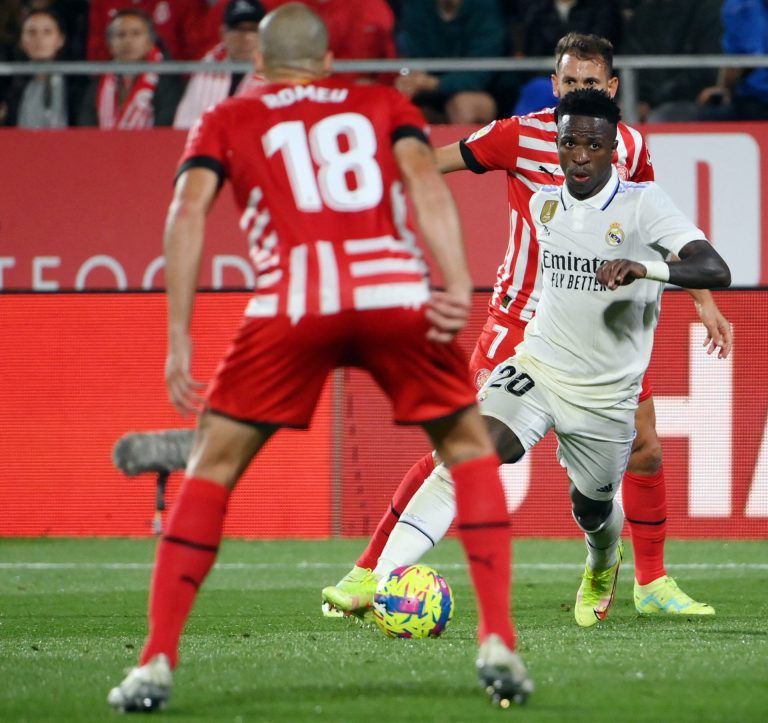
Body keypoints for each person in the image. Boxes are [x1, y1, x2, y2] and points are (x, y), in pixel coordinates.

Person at [106, 3, 529, 712]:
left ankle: (154, 663)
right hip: (394, 291)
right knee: (466, 450)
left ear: (258, 64)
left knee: (211, 466)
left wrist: (178, 334)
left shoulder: (229, 116)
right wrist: (458, 280)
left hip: (293, 301)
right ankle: (498, 642)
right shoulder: (383, 103)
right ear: (329, 61)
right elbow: (426, 183)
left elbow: (186, 213)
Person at [323, 32, 731, 623]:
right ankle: (371, 572)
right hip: (522, 321)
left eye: (591, 84)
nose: (580, 97)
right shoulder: (519, 135)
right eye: (570, 83)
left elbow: (661, 233)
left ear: (611, 89)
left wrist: (702, 301)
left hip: (606, 331)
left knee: (640, 454)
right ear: (554, 84)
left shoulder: (631, 149)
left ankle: (648, 578)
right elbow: (433, 162)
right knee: (464, 445)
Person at [394, 0, 507, 123]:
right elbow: (411, 53)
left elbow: (480, 75)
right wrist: (411, 80)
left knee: (464, 106)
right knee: (400, 102)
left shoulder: (485, 9)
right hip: (425, 92)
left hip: (480, 91)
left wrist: (433, 83)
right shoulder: (416, 6)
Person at [77, 8, 182, 128]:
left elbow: (166, 124)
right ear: (109, 44)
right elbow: (86, 124)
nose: (128, 40)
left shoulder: (168, 78)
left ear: (150, 42)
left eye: (136, 33)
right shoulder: (99, 82)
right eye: (120, 35)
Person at [621, 0, 723, 122]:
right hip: (645, 100)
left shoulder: (708, 10)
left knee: (659, 118)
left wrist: (651, 102)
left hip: (689, 100)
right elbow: (631, 61)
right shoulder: (642, 14)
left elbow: (705, 70)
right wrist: (637, 100)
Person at [172, 0, 265, 130]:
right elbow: (186, 122)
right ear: (223, 33)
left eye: (254, 30)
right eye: (239, 29)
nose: (247, 37)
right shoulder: (209, 65)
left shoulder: (275, 70)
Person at [1, 9, 85, 127]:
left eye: (47, 32)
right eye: (31, 32)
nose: (39, 38)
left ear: (61, 40)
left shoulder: (77, 84)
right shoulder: (7, 85)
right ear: (21, 41)